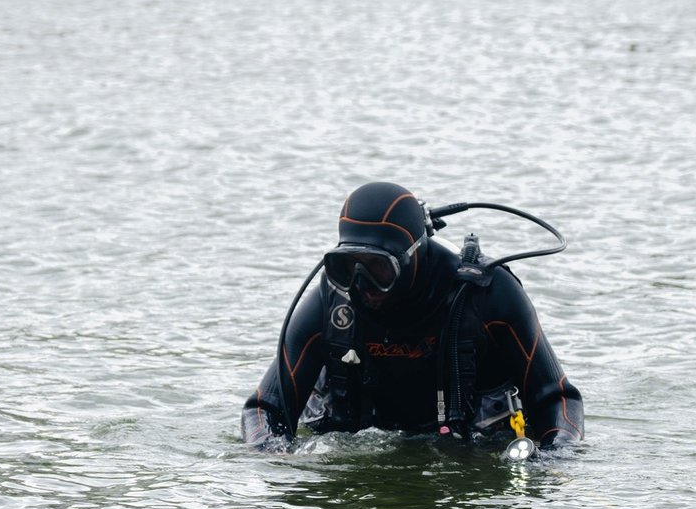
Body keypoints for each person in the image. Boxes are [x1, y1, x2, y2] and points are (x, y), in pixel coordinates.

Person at [242, 181, 584, 453]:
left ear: (412, 256)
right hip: (358, 442)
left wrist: (557, 454)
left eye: (379, 267)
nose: (363, 285)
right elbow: (263, 407)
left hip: (469, 448)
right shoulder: (332, 302)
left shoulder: (489, 296)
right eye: (348, 267)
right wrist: (272, 451)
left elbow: (558, 397)